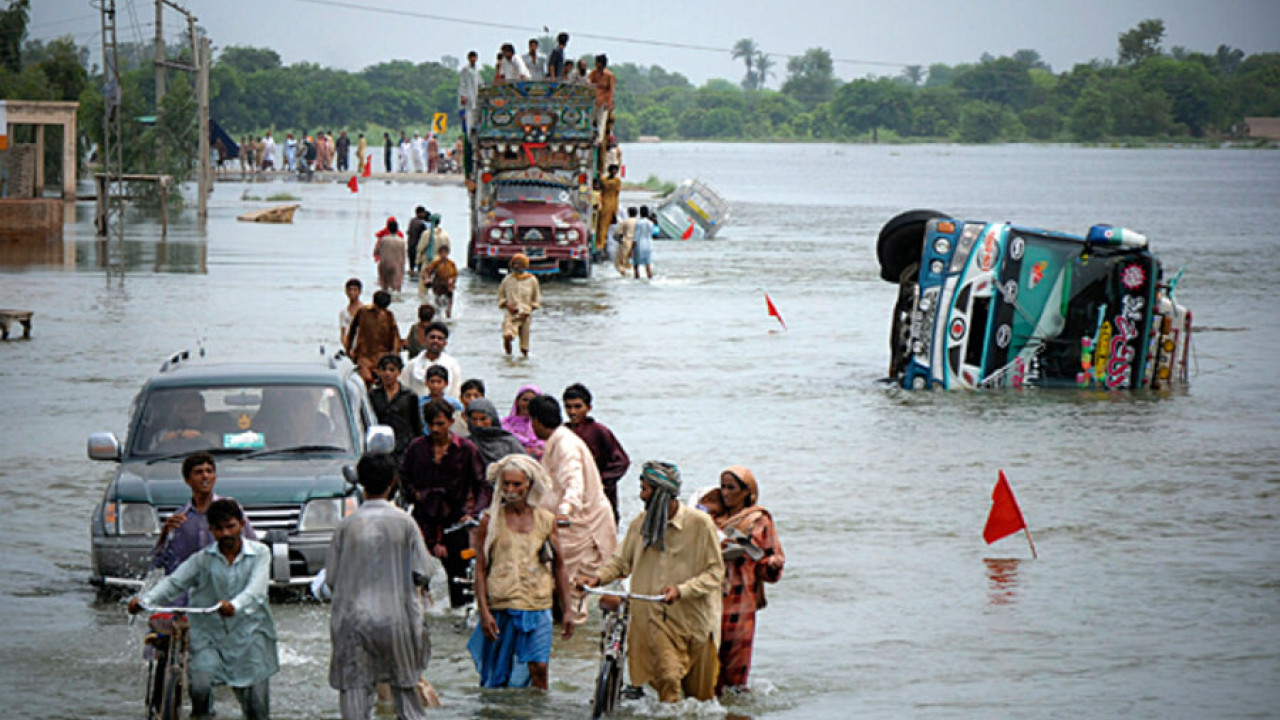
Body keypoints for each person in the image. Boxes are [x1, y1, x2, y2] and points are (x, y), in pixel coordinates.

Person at [576, 462, 724, 703]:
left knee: (700, 697)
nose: (641, 496)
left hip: (693, 619)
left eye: (645, 490)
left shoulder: (700, 524)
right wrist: (597, 577)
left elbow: (715, 573)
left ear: (662, 494)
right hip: (654, 619)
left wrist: (682, 590)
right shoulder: (640, 524)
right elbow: (621, 562)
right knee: (668, 678)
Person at [129, 499, 278, 720]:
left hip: (250, 635)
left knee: (257, 709)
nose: (226, 533)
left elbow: (256, 591)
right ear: (212, 530)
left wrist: (234, 605)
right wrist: (144, 601)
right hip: (209, 635)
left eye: (231, 526)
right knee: (200, 687)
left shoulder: (261, 553)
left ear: (241, 524)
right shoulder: (202, 560)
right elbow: (174, 583)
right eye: (219, 529)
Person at [326, 454, 433, 720]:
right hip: (397, 620)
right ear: (394, 482)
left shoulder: (346, 525)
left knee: (354, 697)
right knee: (406, 696)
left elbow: (331, 580)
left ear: (360, 483)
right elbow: (423, 572)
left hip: (353, 621)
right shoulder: (405, 523)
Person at [467, 454, 573, 688]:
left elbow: (559, 566)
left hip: (538, 604)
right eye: (506, 484)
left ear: (529, 485)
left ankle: (538, 710)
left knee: (540, 667)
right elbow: (481, 568)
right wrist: (483, 612)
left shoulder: (545, 520)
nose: (511, 490)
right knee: (499, 675)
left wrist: (567, 609)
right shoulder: (490, 520)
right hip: (502, 605)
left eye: (517, 484)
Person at [528, 395, 618, 626]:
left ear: (536, 421)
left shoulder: (566, 445)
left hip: (581, 527)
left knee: (574, 589)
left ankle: (576, 648)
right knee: (557, 586)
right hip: (566, 528)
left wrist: (565, 511)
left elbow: (573, 482)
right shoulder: (557, 441)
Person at [400, 399, 491, 608]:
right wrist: (415, 494)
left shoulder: (467, 449)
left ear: (451, 422)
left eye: (440, 424)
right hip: (423, 520)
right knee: (415, 576)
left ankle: (460, 617)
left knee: (459, 578)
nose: (435, 429)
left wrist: (475, 514)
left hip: (456, 520)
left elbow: (483, 484)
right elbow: (404, 477)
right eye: (430, 424)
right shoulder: (417, 448)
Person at [714, 466, 785, 695]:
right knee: (706, 668)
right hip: (709, 598)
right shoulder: (711, 517)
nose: (725, 493)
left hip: (741, 602)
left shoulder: (759, 520)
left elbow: (768, 560)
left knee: (736, 671)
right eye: (723, 487)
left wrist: (772, 564)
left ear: (747, 492)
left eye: (731, 488)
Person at [153, 452, 259, 577]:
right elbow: (159, 561)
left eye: (209, 471)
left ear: (215, 477)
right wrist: (165, 533)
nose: (205, 476)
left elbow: (254, 548)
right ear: (187, 480)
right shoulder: (180, 518)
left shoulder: (230, 509)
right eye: (198, 472)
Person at [562, 383, 630, 523]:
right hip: (571, 496)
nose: (572, 411)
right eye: (568, 407)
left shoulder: (599, 431)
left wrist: (600, 482)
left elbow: (621, 461)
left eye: (577, 406)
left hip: (600, 498)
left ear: (588, 408)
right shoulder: (563, 432)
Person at [369, 354, 423, 463]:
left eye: (392, 370)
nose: (387, 374)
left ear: (399, 372)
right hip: (380, 446)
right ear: (378, 372)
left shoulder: (409, 396)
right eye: (384, 370)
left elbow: (416, 425)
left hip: (404, 448)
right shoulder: (373, 395)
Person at [346, 290, 401, 385]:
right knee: (366, 379)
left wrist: (395, 355)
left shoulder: (389, 316)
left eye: (383, 309)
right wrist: (348, 349)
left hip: (382, 356)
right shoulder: (363, 312)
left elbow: (395, 337)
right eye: (378, 309)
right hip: (364, 355)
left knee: (384, 382)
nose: (380, 312)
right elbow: (352, 331)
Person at [401, 320, 462, 401]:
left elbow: (456, 393)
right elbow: (403, 390)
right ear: (425, 340)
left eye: (439, 338)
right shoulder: (412, 365)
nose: (435, 341)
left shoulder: (452, 365)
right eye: (432, 337)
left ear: (445, 343)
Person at [497, 254, 542, 357]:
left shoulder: (532, 280)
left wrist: (529, 310)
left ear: (525, 266)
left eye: (520, 264)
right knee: (507, 336)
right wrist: (508, 306)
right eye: (515, 264)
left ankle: (524, 362)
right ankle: (508, 357)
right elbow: (501, 296)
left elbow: (536, 300)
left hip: (525, 315)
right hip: (511, 314)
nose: (517, 266)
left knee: (524, 347)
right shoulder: (507, 280)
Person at [465, 397, 526, 468]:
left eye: (483, 419)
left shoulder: (509, 443)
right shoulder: (467, 444)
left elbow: (524, 466)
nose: (479, 424)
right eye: (474, 419)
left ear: (492, 419)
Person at [501, 385, 545, 458]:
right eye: (525, 400)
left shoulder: (543, 425)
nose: (528, 404)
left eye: (532, 401)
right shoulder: (505, 424)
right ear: (517, 402)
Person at [588, 54, 617, 144]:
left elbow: (611, 90)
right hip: (593, 100)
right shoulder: (593, 73)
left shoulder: (609, 75)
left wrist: (609, 103)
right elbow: (588, 83)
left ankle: (599, 140)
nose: (597, 65)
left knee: (601, 121)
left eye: (598, 63)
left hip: (604, 101)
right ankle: (590, 136)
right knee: (590, 119)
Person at [373, 218, 407, 293]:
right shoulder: (402, 241)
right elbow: (404, 256)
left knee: (384, 287)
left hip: (384, 265)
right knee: (396, 288)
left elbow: (376, 252)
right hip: (396, 266)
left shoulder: (383, 240)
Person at [424, 244, 458, 319]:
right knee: (438, 304)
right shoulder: (436, 263)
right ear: (439, 254)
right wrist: (427, 279)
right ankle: (438, 318)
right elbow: (427, 272)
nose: (443, 255)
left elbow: (455, 274)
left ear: (448, 253)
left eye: (445, 253)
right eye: (442, 253)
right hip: (438, 285)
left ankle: (448, 318)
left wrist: (452, 280)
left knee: (449, 305)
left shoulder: (451, 264)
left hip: (448, 286)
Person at [416, 214, 450, 284]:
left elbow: (420, 249)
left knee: (423, 287)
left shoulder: (426, 234)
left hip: (428, 263)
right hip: (441, 263)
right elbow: (448, 249)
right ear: (439, 222)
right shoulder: (445, 235)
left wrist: (418, 261)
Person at [597, 164, 621, 254]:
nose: (614, 172)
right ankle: (601, 243)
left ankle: (603, 243)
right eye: (613, 170)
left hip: (612, 203)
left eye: (616, 170)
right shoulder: (605, 180)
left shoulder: (616, 181)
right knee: (602, 224)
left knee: (607, 225)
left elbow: (607, 185)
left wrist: (600, 178)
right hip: (604, 202)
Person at [458, 51, 481, 135]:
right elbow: (462, 83)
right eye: (471, 57)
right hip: (468, 99)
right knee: (469, 122)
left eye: (474, 57)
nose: (473, 59)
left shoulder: (476, 70)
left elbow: (480, 83)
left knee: (476, 121)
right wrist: (463, 95)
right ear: (468, 58)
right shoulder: (465, 69)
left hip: (476, 98)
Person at [340, 277, 363, 347]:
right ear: (346, 292)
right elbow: (343, 333)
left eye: (355, 290)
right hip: (351, 346)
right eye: (350, 290)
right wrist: (347, 347)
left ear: (359, 292)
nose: (352, 292)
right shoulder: (343, 313)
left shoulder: (365, 310)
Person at [633, 205, 655, 279]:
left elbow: (635, 237)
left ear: (640, 213)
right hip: (649, 245)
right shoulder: (651, 223)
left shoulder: (638, 223)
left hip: (639, 245)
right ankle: (650, 278)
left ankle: (637, 280)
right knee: (648, 265)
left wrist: (631, 249)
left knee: (636, 266)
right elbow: (652, 234)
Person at [615, 207, 638, 276]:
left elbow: (616, 233)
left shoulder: (625, 222)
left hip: (626, 243)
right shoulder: (638, 222)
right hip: (636, 244)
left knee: (619, 263)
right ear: (636, 214)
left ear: (628, 213)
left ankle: (624, 276)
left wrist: (619, 239)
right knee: (632, 263)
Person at [406, 206, 429, 276]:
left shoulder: (412, 221)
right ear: (420, 213)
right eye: (423, 213)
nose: (424, 214)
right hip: (418, 246)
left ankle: (411, 274)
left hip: (410, 246)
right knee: (419, 265)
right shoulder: (422, 224)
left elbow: (408, 233)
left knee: (411, 265)